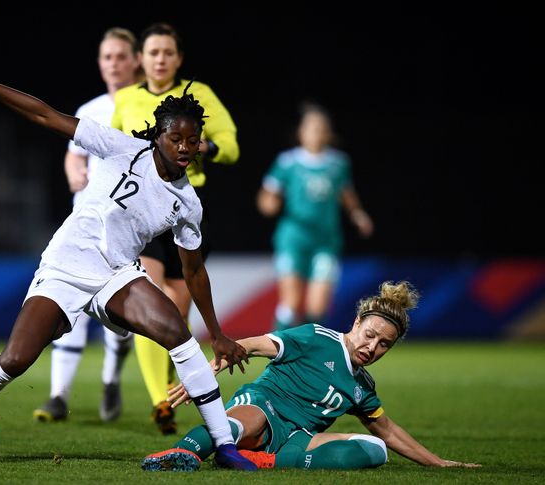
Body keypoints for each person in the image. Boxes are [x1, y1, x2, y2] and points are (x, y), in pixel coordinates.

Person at [0, 44, 257, 471]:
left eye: (192, 140)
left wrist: (218, 334)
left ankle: (224, 446)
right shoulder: (119, 147)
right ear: (158, 136)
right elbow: (44, 114)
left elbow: (194, 270)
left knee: (177, 334)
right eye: (176, 139)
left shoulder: (187, 202)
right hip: (65, 268)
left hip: (116, 275)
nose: (185, 148)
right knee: (15, 360)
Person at [142, 281, 481, 471]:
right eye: (370, 334)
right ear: (357, 323)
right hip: (263, 406)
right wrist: (208, 370)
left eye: (384, 344)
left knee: (375, 449)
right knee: (249, 420)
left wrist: (440, 463)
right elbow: (255, 345)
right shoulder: (317, 338)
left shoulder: (362, 388)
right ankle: (183, 453)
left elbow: (388, 431)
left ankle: (263, 461)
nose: (372, 346)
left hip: (296, 438)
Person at [112, 22, 240, 435]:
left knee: (176, 310)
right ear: (141, 59)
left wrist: (201, 146)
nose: (160, 59)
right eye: (153, 52)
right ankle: (159, 402)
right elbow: (114, 149)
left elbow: (231, 146)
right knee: (152, 301)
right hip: (142, 214)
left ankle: (166, 383)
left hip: (185, 209)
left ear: (178, 58)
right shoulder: (127, 98)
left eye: (168, 52)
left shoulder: (199, 95)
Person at [32, 27, 140, 424]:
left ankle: (110, 381)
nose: (113, 63)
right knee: (66, 302)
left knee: (121, 318)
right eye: (107, 57)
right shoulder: (91, 108)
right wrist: (73, 171)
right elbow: (73, 152)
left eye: (120, 56)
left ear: (136, 61)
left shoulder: (147, 109)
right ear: (100, 63)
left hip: (128, 230)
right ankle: (58, 396)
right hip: (85, 224)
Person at [257, 103, 374, 331]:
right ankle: (276, 352)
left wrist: (358, 215)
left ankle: (306, 355)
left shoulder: (338, 163)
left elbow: (346, 194)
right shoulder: (287, 162)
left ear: (328, 133)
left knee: (318, 307)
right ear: (301, 133)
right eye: (311, 128)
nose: (316, 133)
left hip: (326, 240)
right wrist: (268, 204)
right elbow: (267, 194)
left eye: (321, 128)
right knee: (290, 303)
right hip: (293, 238)